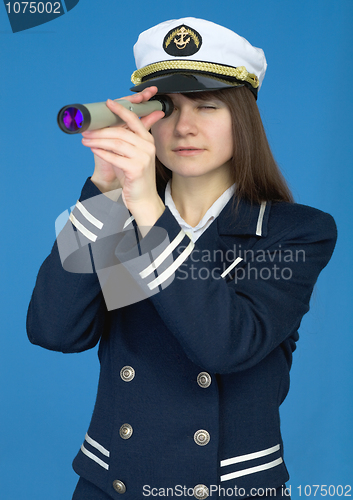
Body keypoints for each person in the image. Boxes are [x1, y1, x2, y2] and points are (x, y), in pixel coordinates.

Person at [27, 17, 337, 500]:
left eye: (208, 106)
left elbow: (225, 345)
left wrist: (149, 210)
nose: (185, 127)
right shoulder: (115, 217)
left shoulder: (295, 231)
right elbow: (54, 330)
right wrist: (104, 194)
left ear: (245, 118)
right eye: (168, 108)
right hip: (111, 484)